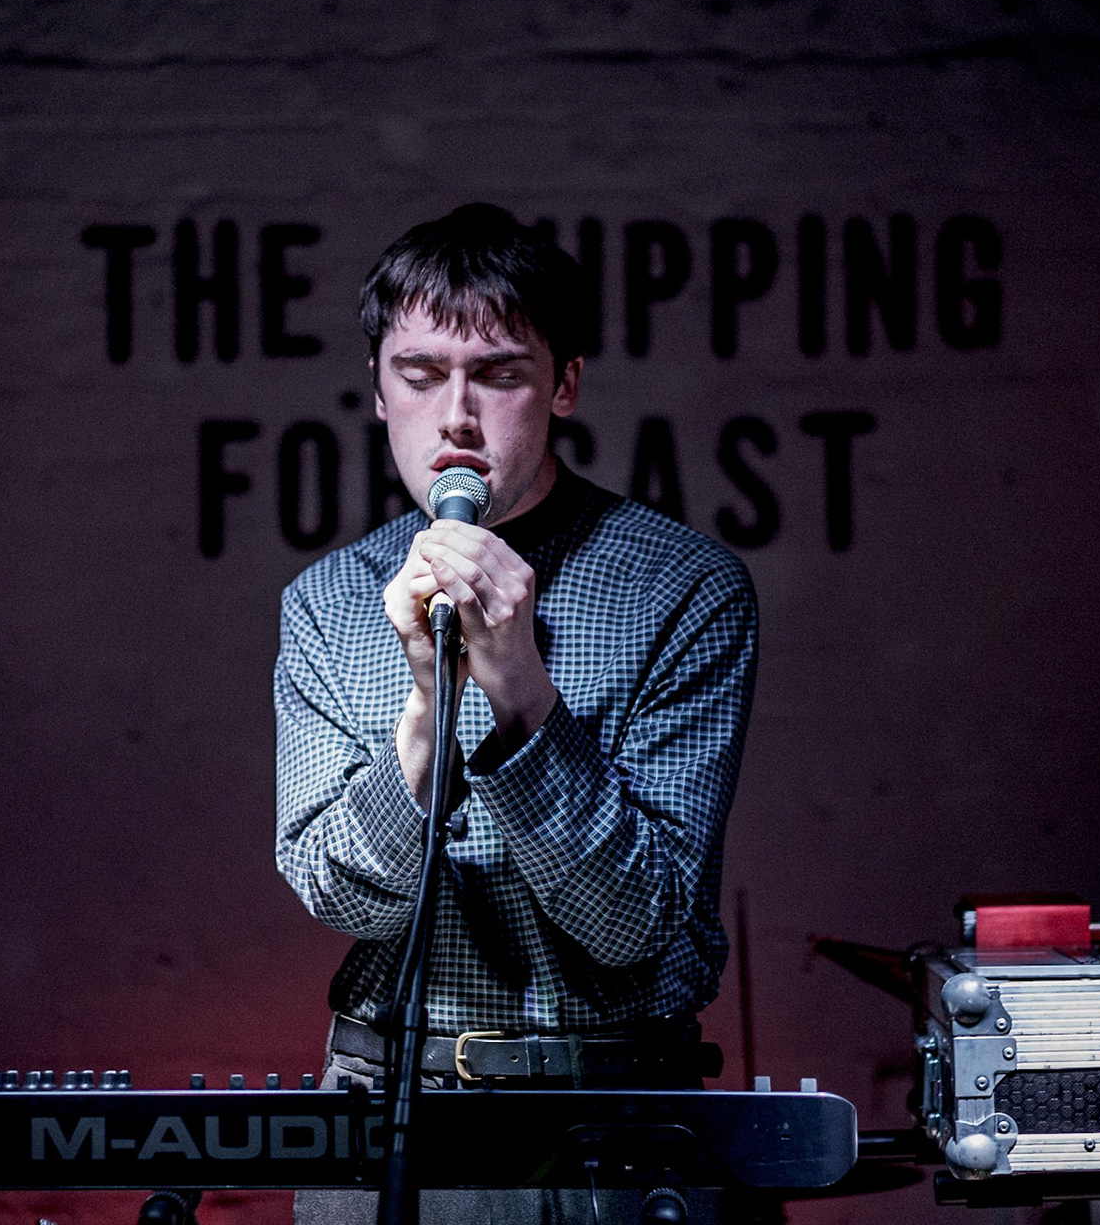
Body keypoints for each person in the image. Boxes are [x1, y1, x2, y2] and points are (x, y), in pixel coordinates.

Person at [274, 203, 758, 1223]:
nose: (457, 415)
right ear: (376, 388)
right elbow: (343, 898)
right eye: (420, 372)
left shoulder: (683, 586)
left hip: (613, 1124)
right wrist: (423, 706)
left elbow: (632, 924)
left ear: (564, 384)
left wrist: (520, 688)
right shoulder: (326, 601)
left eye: (498, 372)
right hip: (386, 1112)